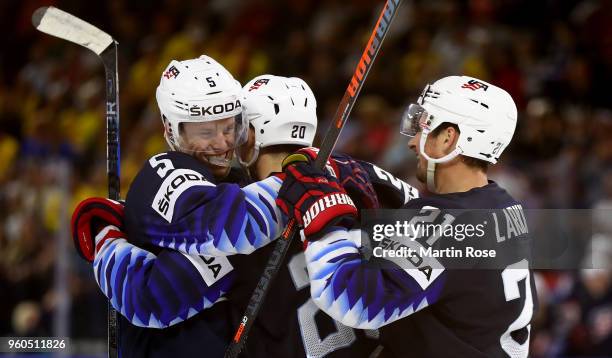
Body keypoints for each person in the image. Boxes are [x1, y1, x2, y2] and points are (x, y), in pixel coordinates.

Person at [72, 60, 415, 357]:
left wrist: (106, 236)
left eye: (230, 128)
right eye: (207, 131)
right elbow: (453, 230)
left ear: (249, 135)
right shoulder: (354, 178)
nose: (223, 143)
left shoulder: (242, 230)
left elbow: (151, 298)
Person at [275, 75, 537, 357]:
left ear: (449, 138)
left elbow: (350, 299)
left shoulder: (446, 227)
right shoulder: (504, 206)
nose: (413, 142)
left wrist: (325, 212)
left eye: (425, 127)